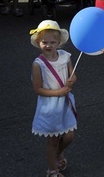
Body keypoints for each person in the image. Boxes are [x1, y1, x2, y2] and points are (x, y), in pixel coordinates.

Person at [30, 20, 77, 177]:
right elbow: (38, 89)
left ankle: (58, 153)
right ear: (38, 42)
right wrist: (58, 93)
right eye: (44, 42)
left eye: (52, 42)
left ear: (59, 42)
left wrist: (72, 80)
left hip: (65, 102)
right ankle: (52, 170)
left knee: (69, 135)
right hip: (50, 105)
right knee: (53, 139)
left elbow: (72, 75)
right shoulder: (38, 64)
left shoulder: (65, 56)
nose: (48, 45)